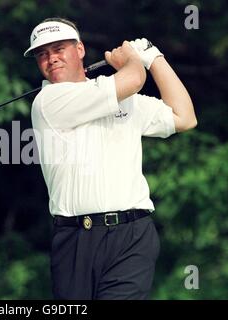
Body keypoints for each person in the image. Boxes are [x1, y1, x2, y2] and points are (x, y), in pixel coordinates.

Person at [24, 17, 197, 300]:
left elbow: (184, 117)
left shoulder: (124, 97)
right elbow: (133, 79)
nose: (51, 58)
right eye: (42, 54)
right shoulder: (48, 101)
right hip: (75, 239)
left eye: (58, 49)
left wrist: (154, 57)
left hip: (132, 235)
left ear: (79, 50)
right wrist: (131, 59)